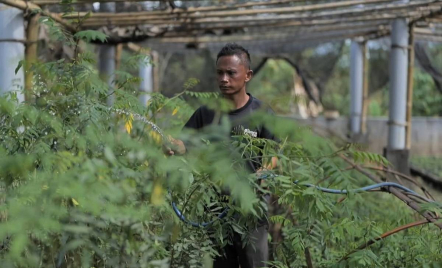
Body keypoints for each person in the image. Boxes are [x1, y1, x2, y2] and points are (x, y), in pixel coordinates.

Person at [164, 43, 277, 268]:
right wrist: (172, 145)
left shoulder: (262, 114)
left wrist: (264, 171)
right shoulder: (205, 113)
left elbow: (273, 155)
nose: (224, 79)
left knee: (254, 262)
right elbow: (185, 144)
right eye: (219, 73)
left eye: (231, 73)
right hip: (215, 208)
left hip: (251, 208)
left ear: (248, 75)